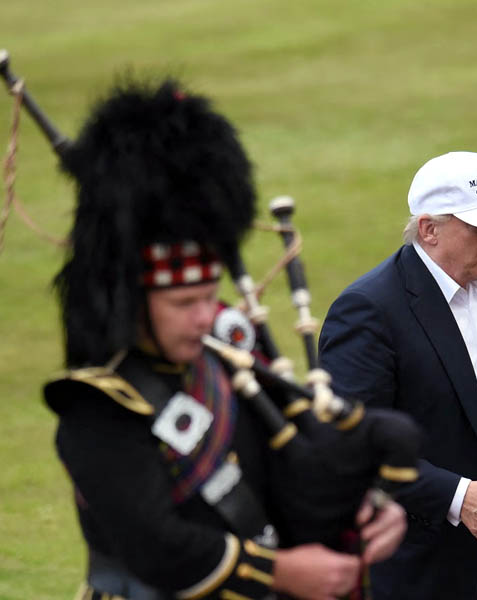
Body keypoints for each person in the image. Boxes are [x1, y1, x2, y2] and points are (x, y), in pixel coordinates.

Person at [43, 79, 408, 599]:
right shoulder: (97, 406)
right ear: (132, 301)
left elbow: (301, 469)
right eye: (182, 304)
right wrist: (279, 573)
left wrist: (372, 507)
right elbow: (155, 546)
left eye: (207, 296)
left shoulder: (226, 362)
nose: (203, 317)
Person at [318, 151, 477, 599]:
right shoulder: (367, 311)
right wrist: (459, 498)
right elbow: (349, 447)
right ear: (429, 229)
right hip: (421, 569)